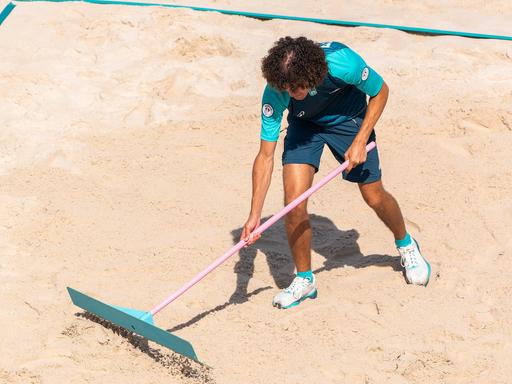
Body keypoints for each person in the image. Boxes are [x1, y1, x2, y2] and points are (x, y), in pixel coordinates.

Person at [241, 36, 431, 309]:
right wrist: (255, 215)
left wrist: (360, 140)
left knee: (373, 195)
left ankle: (406, 244)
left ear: (311, 74)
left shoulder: (343, 62)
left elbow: (381, 91)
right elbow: (265, 155)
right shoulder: (277, 90)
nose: (290, 93)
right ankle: (305, 281)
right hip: (305, 127)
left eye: (296, 88)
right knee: (294, 204)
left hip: (349, 120)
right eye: (286, 88)